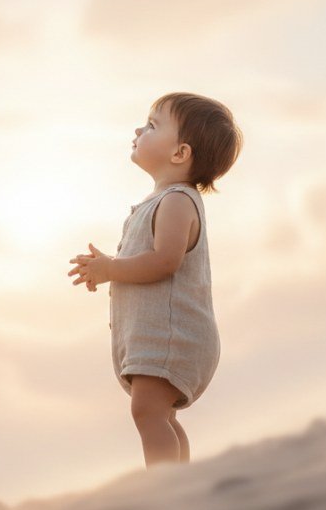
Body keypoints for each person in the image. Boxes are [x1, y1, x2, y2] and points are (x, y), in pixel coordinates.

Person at [68, 92, 242, 468]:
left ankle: (163, 488)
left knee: (148, 411)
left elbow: (165, 261)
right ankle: (177, 482)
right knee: (158, 413)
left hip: (171, 334)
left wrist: (111, 268)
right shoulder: (162, 200)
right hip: (160, 334)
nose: (138, 129)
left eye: (151, 125)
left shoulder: (178, 201)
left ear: (180, 153)